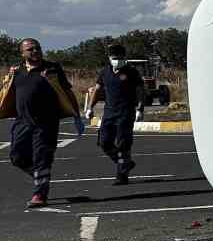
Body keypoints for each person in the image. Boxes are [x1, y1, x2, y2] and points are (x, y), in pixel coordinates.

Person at [1, 37, 84, 209]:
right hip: (22, 121)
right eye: (30, 49)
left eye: (37, 48)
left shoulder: (52, 69)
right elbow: (5, 93)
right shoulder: (16, 71)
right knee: (17, 157)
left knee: (42, 158)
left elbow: (67, 92)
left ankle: (40, 193)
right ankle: (40, 177)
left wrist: (77, 115)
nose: (35, 51)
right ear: (22, 53)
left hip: (46, 123)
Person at [83, 44, 142, 185]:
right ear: (109, 58)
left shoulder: (131, 72)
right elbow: (97, 91)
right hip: (109, 113)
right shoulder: (105, 72)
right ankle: (125, 164)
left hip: (125, 113)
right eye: (115, 58)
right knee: (104, 142)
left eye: (121, 58)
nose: (118, 60)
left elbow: (140, 91)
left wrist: (140, 108)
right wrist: (90, 108)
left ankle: (122, 175)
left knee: (123, 144)